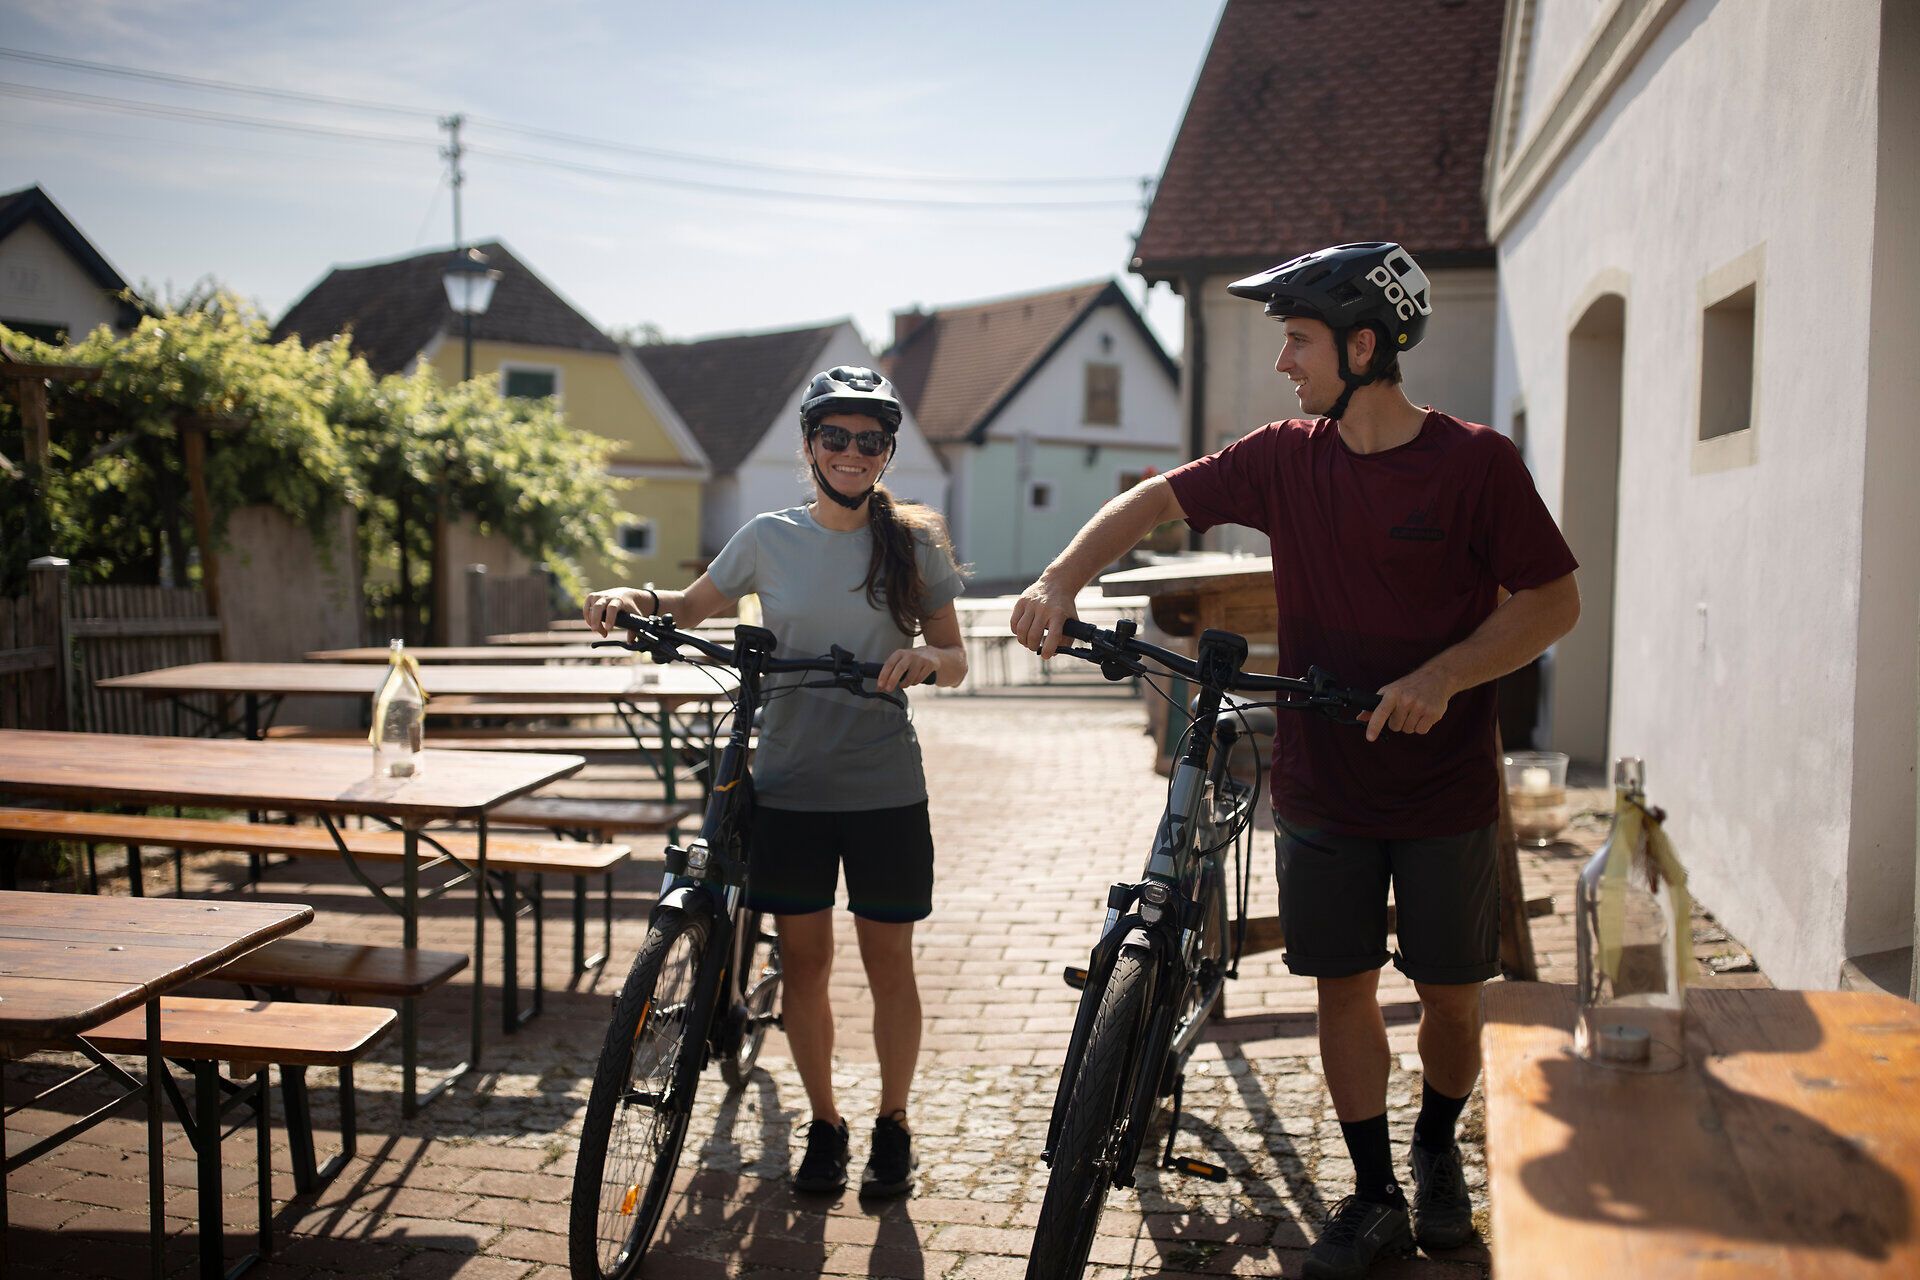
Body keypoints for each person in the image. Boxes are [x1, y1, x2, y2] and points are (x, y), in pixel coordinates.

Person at [1011, 243, 1580, 1280]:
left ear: (1364, 347)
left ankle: (1436, 1145)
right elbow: (1155, 500)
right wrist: (1059, 579)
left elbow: (1554, 600)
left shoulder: (1475, 463)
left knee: (1452, 996)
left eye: (1299, 341)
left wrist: (1447, 673)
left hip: (1444, 784)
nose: (1284, 363)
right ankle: (1374, 1191)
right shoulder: (1285, 456)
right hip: (1321, 780)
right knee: (1341, 988)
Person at [586, 365, 967, 1199]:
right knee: (804, 965)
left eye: (870, 440)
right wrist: (631, 595)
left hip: (884, 784)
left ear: (886, 452)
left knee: (889, 964)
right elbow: (688, 606)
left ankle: (893, 1122)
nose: (852, 452)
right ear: (809, 444)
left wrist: (925, 660)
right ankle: (825, 1122)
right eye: (836, 436)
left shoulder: (914, 543)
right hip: (790, 782)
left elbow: (956, 657)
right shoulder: (767, 536)